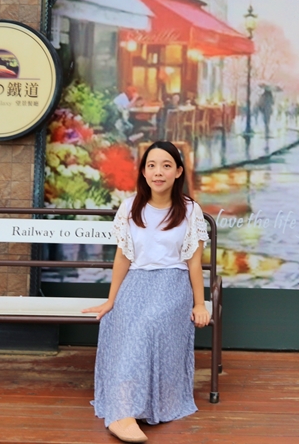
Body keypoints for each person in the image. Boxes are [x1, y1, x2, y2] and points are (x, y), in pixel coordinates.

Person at [83, 141, 210, 442]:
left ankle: (129, 410)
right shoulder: (130, 207)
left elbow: (193, 262)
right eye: (151, 165)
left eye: (166, 165)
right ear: (143, 171)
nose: (158, 172)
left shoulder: (191, 210)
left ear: (179, 171)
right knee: (119, 319)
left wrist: (200, 303)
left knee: (149, 322)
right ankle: (124, 409)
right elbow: (123, 257)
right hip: (136, 281)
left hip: (172, 283)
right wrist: (112, 299)